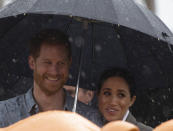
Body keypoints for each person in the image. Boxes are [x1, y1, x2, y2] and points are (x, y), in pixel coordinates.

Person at [0, 29, 102, 127]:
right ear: (32, 62)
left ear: (69, 63)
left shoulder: (89, 119)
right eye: (47, 62)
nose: (54, 71)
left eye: (61, 63)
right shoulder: (4, 113)